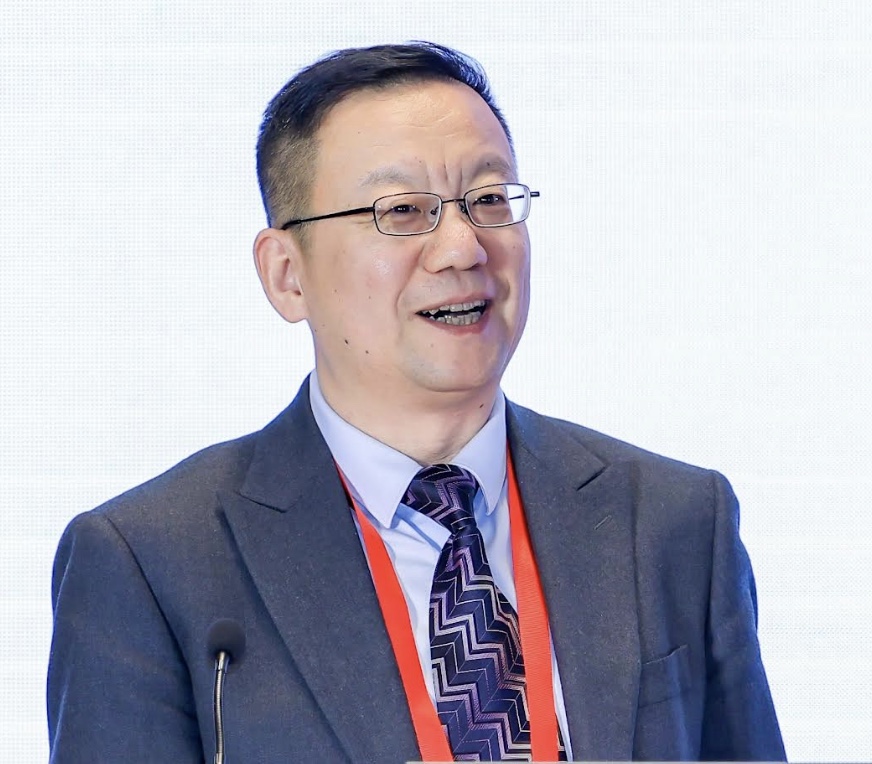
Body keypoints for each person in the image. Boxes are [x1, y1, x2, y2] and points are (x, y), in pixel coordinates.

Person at [47, 42, 786, 763]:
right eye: (402, 211)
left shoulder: (672, 522)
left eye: (488, 200)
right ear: (286, 275)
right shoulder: (151, 564)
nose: (464, 247)